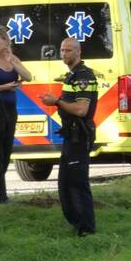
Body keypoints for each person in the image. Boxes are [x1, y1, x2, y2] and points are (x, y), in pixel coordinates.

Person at [40, 38, 98, 236]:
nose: (64, 54)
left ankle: (86, 228)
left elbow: (81, 110)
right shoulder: (72, 75)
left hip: (79, 134)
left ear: (79, 52)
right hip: (70, 134)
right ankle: (76, 223)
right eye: (62, 50)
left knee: (77, 182)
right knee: (65, 182)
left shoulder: (84, 76)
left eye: (68, 50)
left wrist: (56, 101)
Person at [0, 25, 32, 203]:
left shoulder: (13, 59)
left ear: (6, 41)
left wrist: (13, 63)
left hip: (11, 111)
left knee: (6, 152)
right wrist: (2, 87)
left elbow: (28, 77)